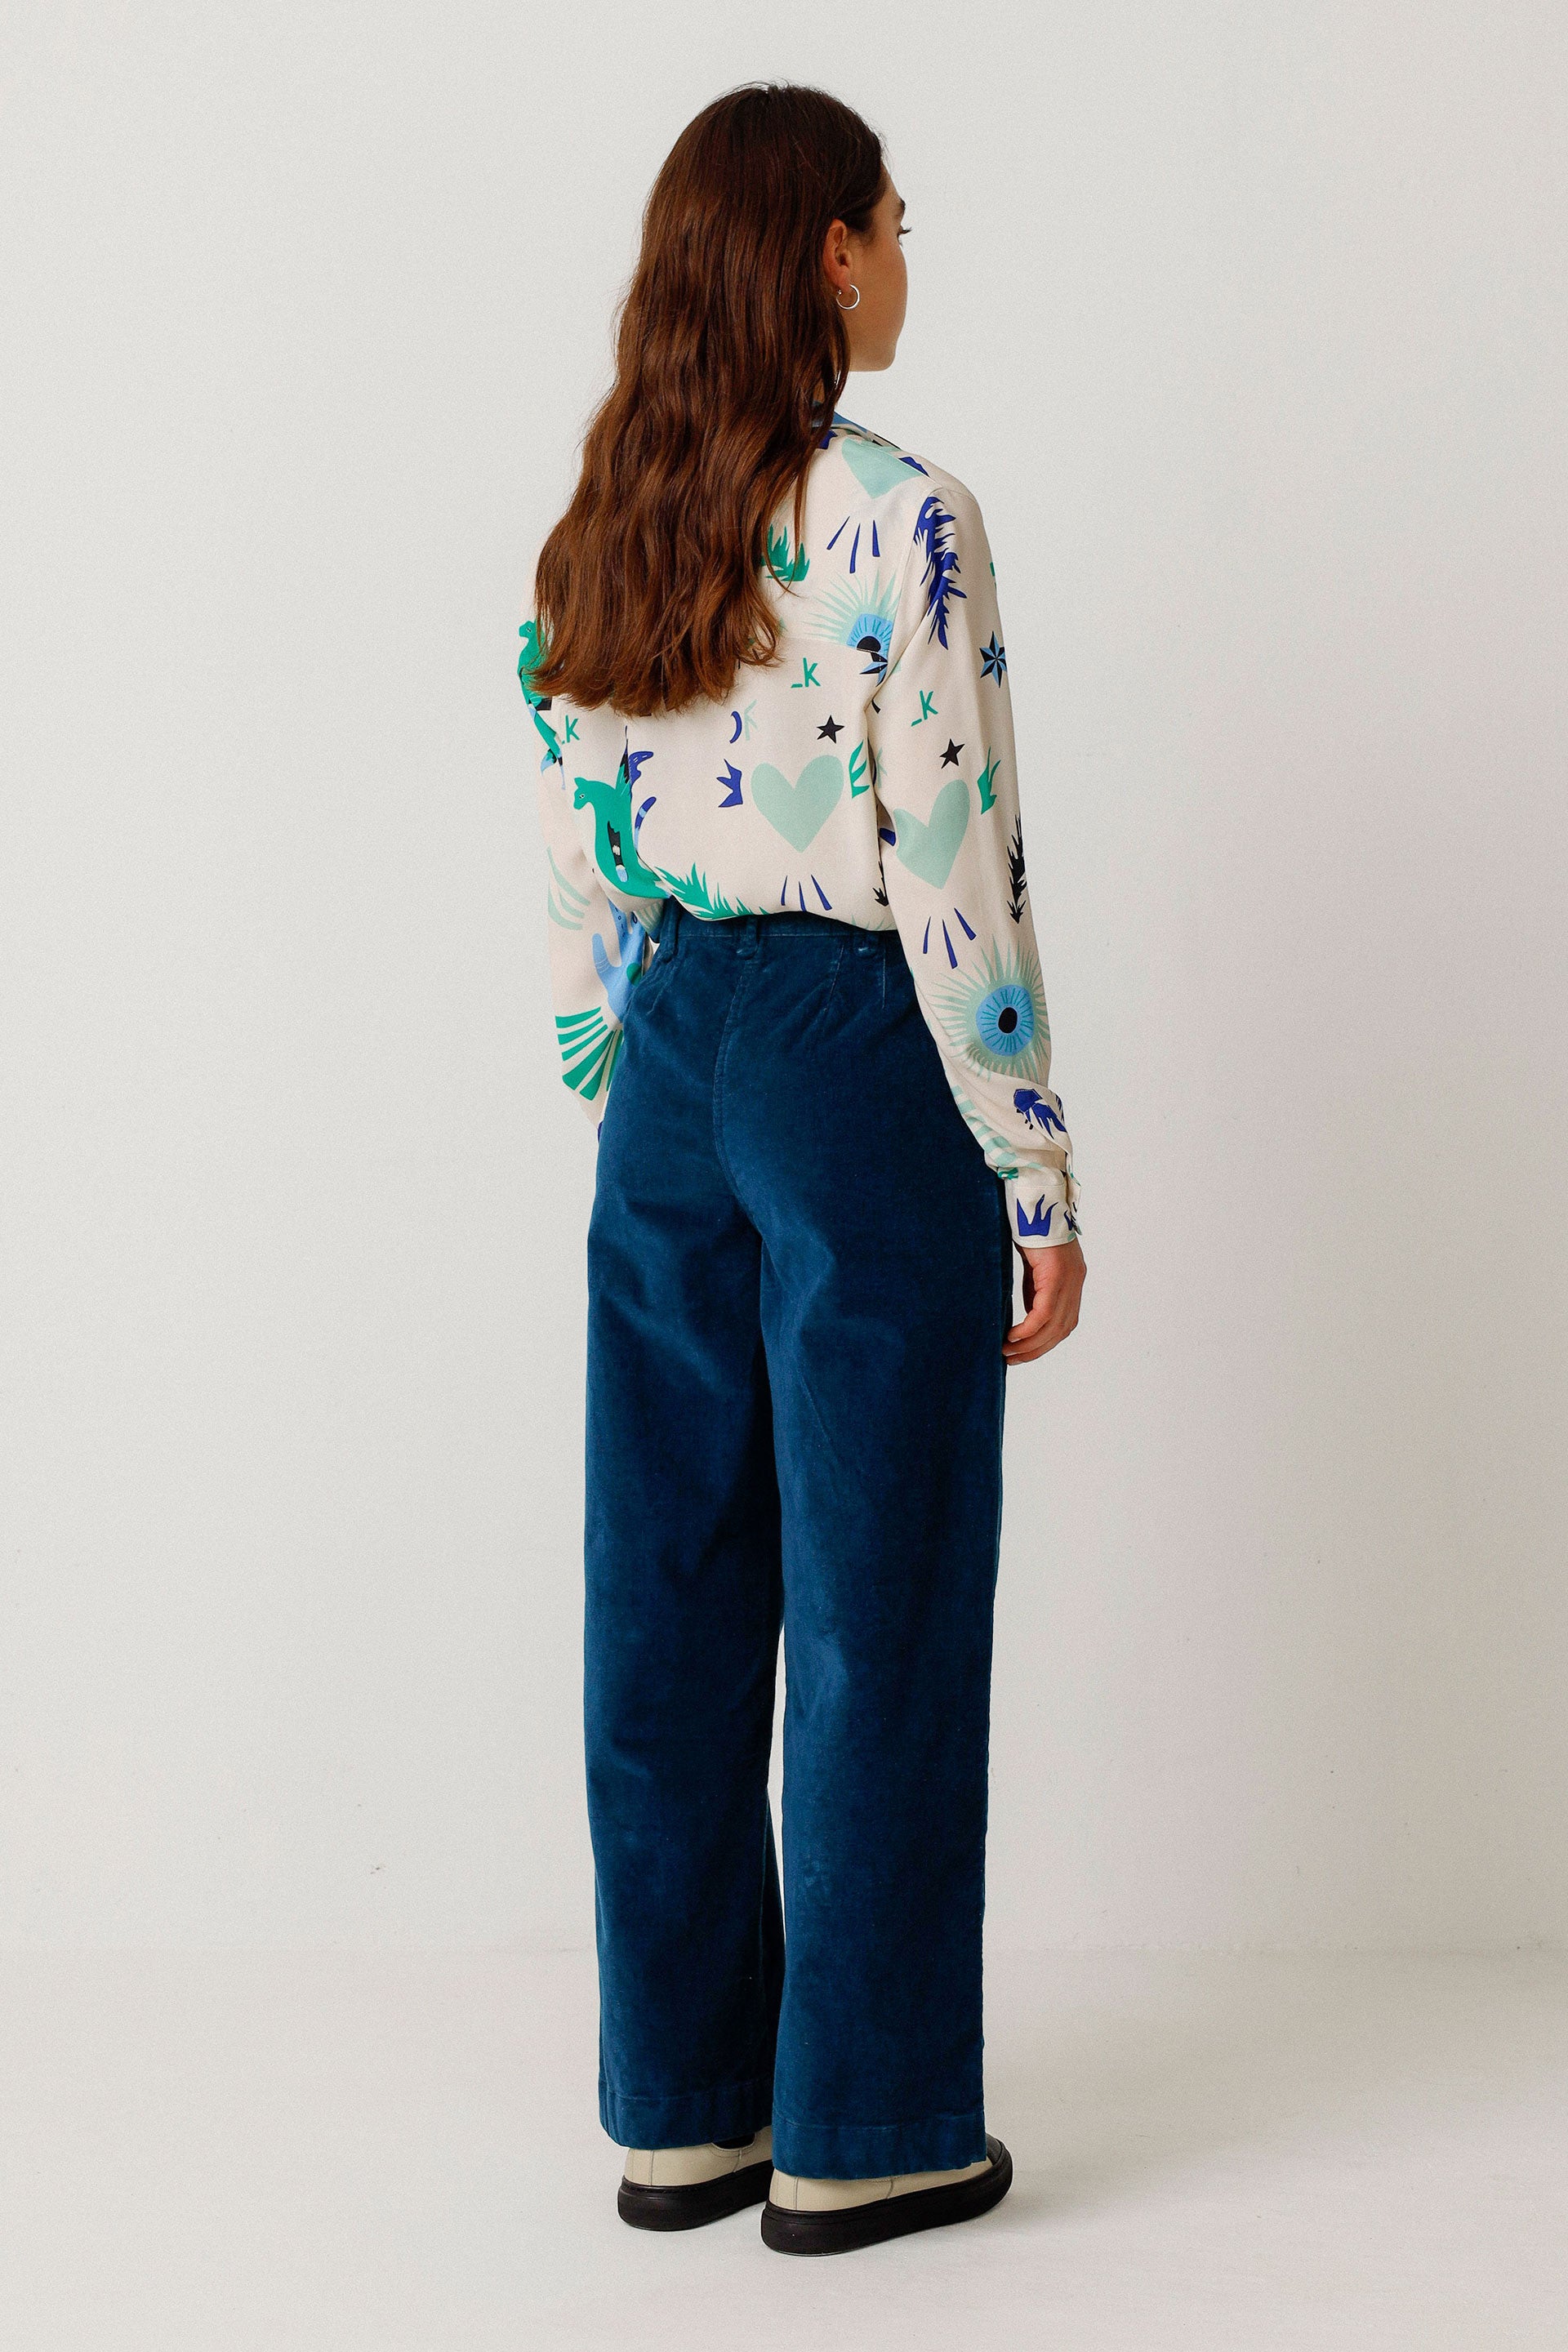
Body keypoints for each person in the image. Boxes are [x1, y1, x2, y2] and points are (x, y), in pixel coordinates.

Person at [517, 81, 1085, 2257]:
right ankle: (864, 2128)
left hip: (670, 1046)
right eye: (896, 222)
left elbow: (576, 839)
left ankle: (685, 2112)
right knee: (879, 1597)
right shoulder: (906, 521)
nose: (906, 258)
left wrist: (626, 1076)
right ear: (833, 255)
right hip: (852, 1048)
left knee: (662, 1590)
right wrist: (1027, 1165)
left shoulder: (610, 522)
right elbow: (955, 866)